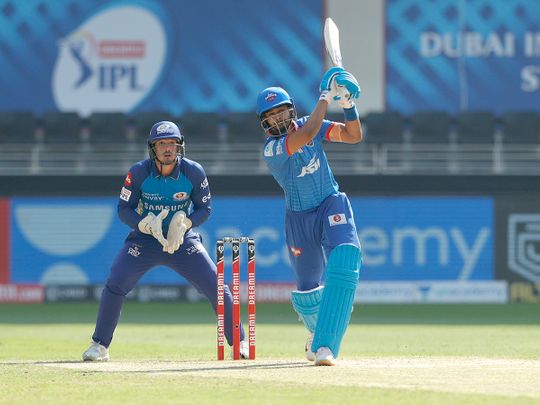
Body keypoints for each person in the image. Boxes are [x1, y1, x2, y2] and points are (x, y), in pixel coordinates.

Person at [83, 120, 248, 361]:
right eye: (162, 144)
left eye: (172, 143)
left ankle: (240, 342)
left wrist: (186, 224)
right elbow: (123, 209)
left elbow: (205, 208)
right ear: (153, 148)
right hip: (145, 239)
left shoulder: (193, 172)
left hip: (182, 239)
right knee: (116, 282)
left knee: (216, 285)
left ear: (180, 146)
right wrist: (142, 223)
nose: (168, 148)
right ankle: (100, 345)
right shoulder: (138, 173)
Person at [256, 67, 363, 366]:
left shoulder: (308, 123)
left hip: (330, 202)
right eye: (271, 115)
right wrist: (326, 96)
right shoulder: (272, 149)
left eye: (281, 112)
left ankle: (326, 346)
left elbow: (353, 136)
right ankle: (317, 335)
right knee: (307, 291)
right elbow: (307, 134)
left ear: (290, 111)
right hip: (299, 218)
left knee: (344, 259)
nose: (277, 118)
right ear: (264, 123)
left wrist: (348, 105)